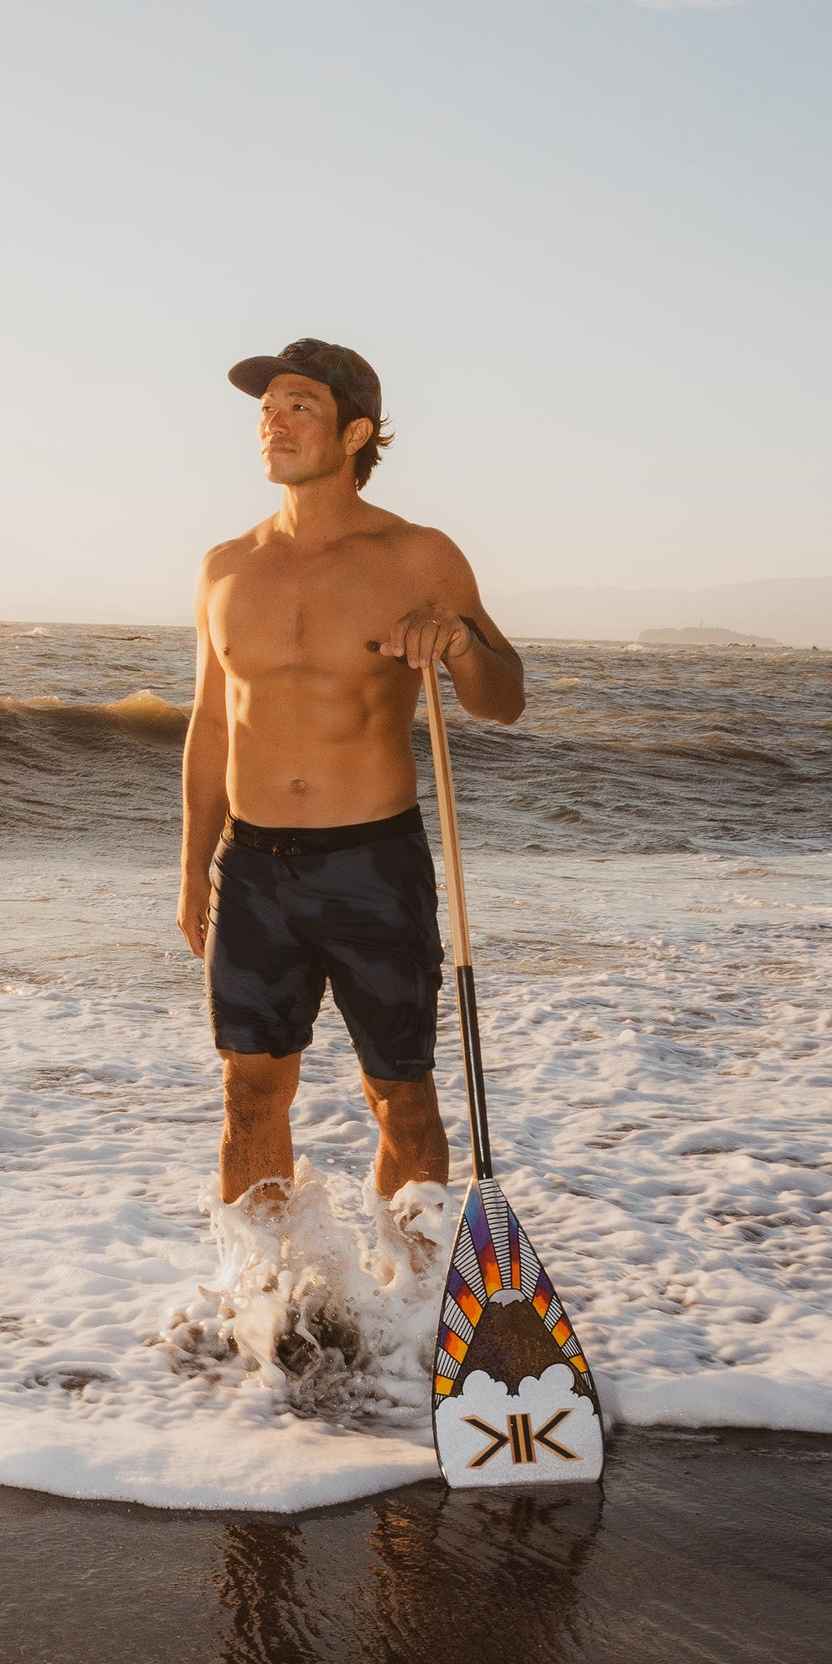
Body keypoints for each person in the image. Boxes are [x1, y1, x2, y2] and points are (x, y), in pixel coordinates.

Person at [177, 337, 524, 1214]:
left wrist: (461, 641)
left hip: (373, 864)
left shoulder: (417, 556)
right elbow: (213, 724)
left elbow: (502, 699)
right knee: (249, 1091)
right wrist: (192, 872)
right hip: (252, 869)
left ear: (355, 431)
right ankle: (265, 1312)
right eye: (267, 407)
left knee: (400, 1098)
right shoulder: (225, 566)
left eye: (299, 406)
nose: (273, 421)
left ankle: (410, 1311)